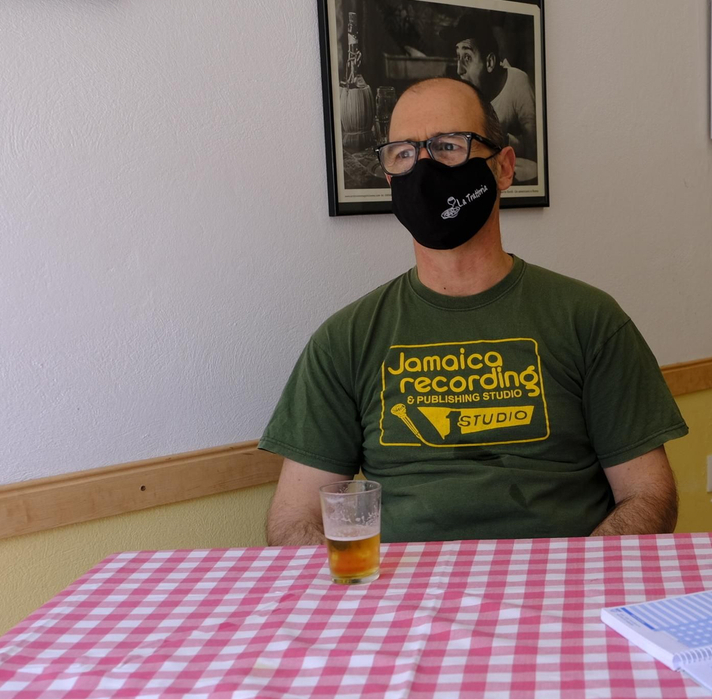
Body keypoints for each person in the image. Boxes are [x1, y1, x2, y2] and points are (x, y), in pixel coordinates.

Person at [262, 77, 685, 544]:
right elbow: (295, 517)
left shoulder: (588, 320)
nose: (423, 169)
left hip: (560, 588)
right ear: (388, 177)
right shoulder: (347, 339)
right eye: (403, 153)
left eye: (448, 146)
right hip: (404, 599)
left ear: (504, 169)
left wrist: (578, 579)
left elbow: (649, 494)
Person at [452, 11, 538, 180]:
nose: (459, 70)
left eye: (467, 58)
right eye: (458, 57)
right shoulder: (467, 95)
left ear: (490, 62)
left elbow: (534, 153)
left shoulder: (518, 82)